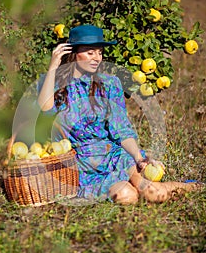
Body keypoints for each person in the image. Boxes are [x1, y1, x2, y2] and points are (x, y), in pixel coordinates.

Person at [37, 24, 197, 204]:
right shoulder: (55, 84)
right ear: (73, 53)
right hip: (81, 167)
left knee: (153, 193)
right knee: (126, 197)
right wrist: (53, 66)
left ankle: (195, 186)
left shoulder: (110, 84)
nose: (97, 58)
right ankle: (127, 186)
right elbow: (45, 107)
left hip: (113, 156)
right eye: (90, 53)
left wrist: (139, 157)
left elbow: (121, 129)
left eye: (99, 52)